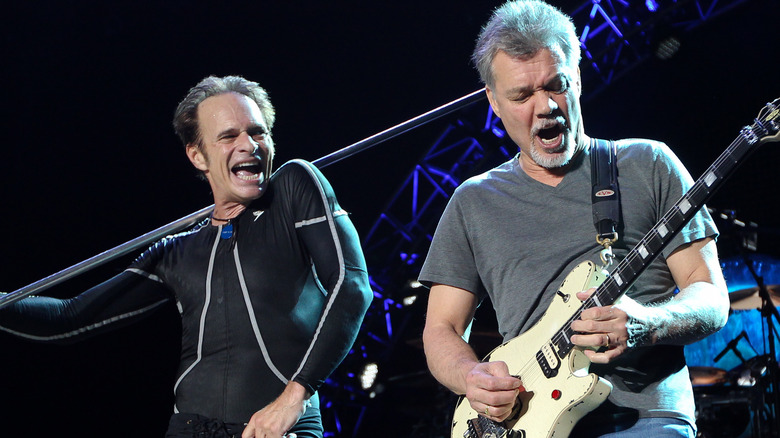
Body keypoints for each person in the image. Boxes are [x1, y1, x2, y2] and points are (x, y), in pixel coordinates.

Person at [419, 1, 729, 437]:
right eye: (522, 95)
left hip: (647, 420)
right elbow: (442, 330)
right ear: (493, 102)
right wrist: (472, 377)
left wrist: (647, 323)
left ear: (578, 79)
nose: (545, 106)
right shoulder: (473, 201)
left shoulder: (648, 163)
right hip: (529, 423)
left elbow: (711, 297)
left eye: (556, 85)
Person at [0, 75, 373, 438]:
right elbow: (68, 318)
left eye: (258, 132)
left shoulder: (294, 185)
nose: (250, 145)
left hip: (278, 428)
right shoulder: (174, 251)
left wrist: (292, 399)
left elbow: (353, 286)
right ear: (198, 156)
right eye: (229, 136)